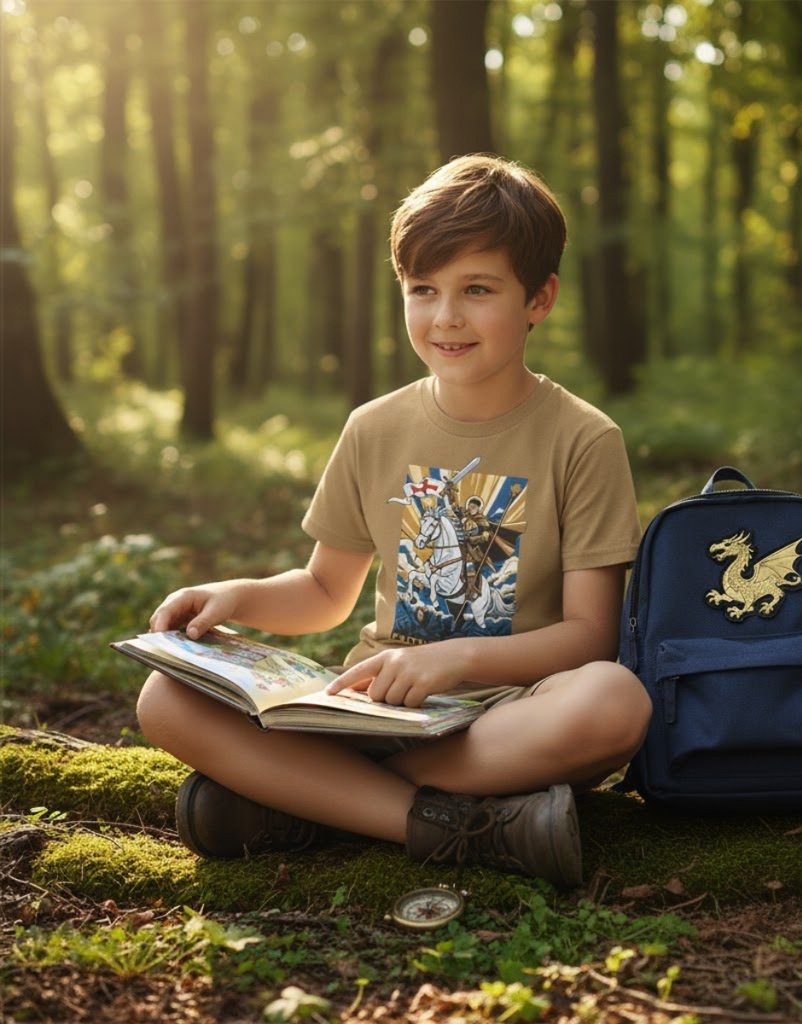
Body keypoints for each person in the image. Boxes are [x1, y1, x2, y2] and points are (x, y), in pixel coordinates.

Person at [136, 154, 652, 888]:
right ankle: (459, 828)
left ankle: (312, 802)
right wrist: (238, 597)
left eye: (477, 290)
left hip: (504, 720)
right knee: (166, 696)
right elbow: (324, 591)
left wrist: (455, 659)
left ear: (540, 299)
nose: (446, 316)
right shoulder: (374, 429)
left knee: (615, 700)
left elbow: (589, 635)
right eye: (423, 290)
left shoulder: (583, 438)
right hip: (370, 714)